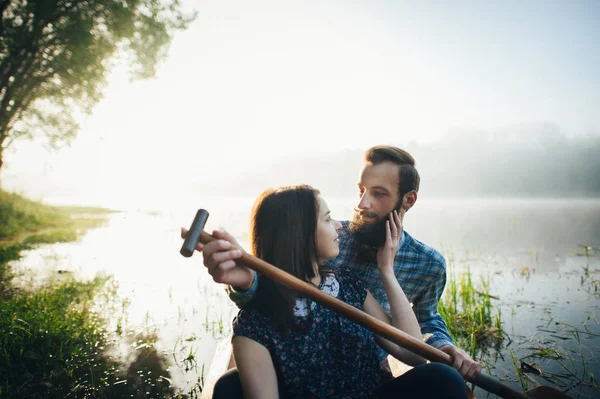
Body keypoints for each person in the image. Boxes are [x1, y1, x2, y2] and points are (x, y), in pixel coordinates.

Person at [215, 184, 469, 398]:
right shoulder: (254, 324)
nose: (339, 226)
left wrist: (387, 271)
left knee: (443, 377)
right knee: (227, 386)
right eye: (327, 219)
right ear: (300, 234)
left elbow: (412, 353)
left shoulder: (346, 285)